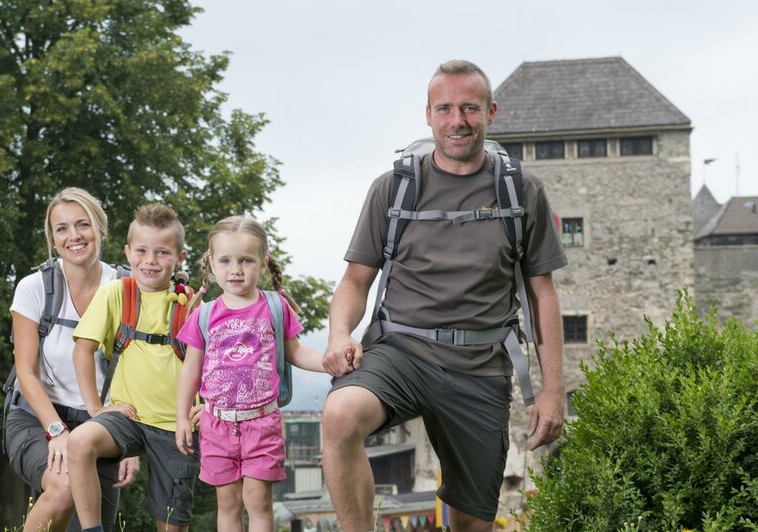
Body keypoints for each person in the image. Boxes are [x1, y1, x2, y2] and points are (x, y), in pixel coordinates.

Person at [321, 60, 568, 531]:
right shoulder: (394, 189)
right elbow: (355, 281)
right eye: (446, 109)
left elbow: (543, 295)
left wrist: (552, 390)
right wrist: (338, 335)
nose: (458, 121)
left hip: (480, 366)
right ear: (429, 114)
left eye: (470, 108)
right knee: (339, 414)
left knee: (470, 525)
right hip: (402, 353)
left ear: (491, 112)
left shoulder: (522, 192)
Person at [173, 216, 327, 532]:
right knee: (228, 505)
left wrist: (330, 362)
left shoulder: (275, 306)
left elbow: (296, 352)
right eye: (226, 261)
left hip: (263, 422)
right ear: (211, 265)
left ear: (262, 263)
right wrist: (180, 419)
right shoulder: (204, 314)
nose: (236, 269)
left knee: (258, 503)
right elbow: (191, 370)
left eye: (246, 260)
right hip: (216, 424)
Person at [5, 187, 138, 532]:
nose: (74, 236)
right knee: (63, 490)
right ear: (52, 238)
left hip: (101, 430)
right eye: (62, 229)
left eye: (83, 225)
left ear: (100, 228)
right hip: (37, 418)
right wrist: (57, 432)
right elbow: (26, 373)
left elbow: (141, 372)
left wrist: (133, 443)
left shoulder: (129, 289)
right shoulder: (34, 288)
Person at [67, 203, 199, 532]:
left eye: (162, 252)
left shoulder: (194, 305)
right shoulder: (116, 294)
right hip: (129, 418)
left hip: (177, 426)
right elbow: (83, 350)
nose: (150, 261)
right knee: (80, 442)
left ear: (180, 258)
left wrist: (206, 407)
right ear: (128, 253)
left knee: (170, 524)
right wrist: (96, 408)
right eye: (141, 250)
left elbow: (211, 366)